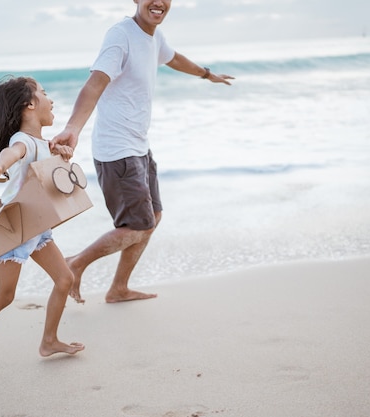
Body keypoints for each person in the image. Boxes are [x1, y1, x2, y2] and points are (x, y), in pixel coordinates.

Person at [50, 0, 234, 304]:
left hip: (138, 146)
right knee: (138, 225)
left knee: (154, 216)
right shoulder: (120, 35)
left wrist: (206, 74)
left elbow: (174, 59)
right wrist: (73, 128)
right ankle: (75, 263)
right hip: (117, 149)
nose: (158, 2)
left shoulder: (153, 36)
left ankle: (119, 288)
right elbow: (95, 83)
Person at [0, 76, 85, 374]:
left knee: (65, 279)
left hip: (36, 225)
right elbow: (11, 154)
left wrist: (61, 153)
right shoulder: (22, 140)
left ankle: (49, 341)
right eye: (45, 94)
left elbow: (46, 173)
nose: (52, 101)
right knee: (5, 295)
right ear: (31, 105)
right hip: (14, 228)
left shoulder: (41, 142)